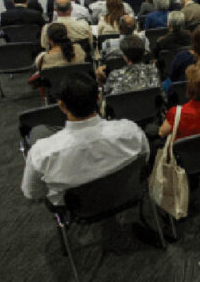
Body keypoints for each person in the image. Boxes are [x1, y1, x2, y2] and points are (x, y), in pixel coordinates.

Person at [21, 72, 148, 206]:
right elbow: (144, 158)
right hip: (126, 194)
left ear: (62, 106)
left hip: (78, 208)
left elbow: (32, 193)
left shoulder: (41, 153)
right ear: (98, 99)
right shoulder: (130, 130)